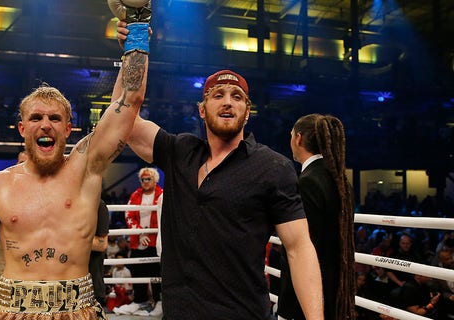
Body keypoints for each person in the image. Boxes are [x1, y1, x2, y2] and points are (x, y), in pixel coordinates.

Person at [0, 1, 150, 318]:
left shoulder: (86, 169)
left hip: (78, 310)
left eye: (55, 118)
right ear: (22, 128)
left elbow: (128, 103)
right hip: (12, 311)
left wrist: (137, 29)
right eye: (36, 117)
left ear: (68, 129)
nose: (45, 124)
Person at [119, 21, 324, 317]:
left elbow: (299, 248)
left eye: (236, 96)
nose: (228, 102)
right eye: (218, 95)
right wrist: (134, 51)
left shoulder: (273, 167)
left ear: (247, 112)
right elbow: (122, 118)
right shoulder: (180, 151)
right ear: (202, 109)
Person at [278, 113, 356, 320]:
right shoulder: (341, 181)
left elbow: (306, 245)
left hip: (307, 293)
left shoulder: (308, 181)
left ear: (298, 138)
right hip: (333, 284)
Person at [114, 167, 163, 316]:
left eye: (148, 179)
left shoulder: (162, 195)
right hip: (138, 240)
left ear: (154, 180)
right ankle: (140, 300)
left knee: (155, 271)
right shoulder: (135, 195)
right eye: (142, 179)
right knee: (137, 270)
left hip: (156, 240)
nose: (145, 182)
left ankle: (159, 301)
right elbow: (129, 214)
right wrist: (140, 232)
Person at [0, 150, 28, 307]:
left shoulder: (44, 188)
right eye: (20, 161)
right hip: (5, 246)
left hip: (33, 247)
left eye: (26, 162)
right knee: (0, 289)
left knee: (29, 291)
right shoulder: (3, 187)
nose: (22, 165)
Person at [89, 200, 110, 306]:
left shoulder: (98, 205)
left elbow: (101, 245)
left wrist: (71, 238)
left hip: (92, 287)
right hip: (66, 284)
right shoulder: (63, 205)